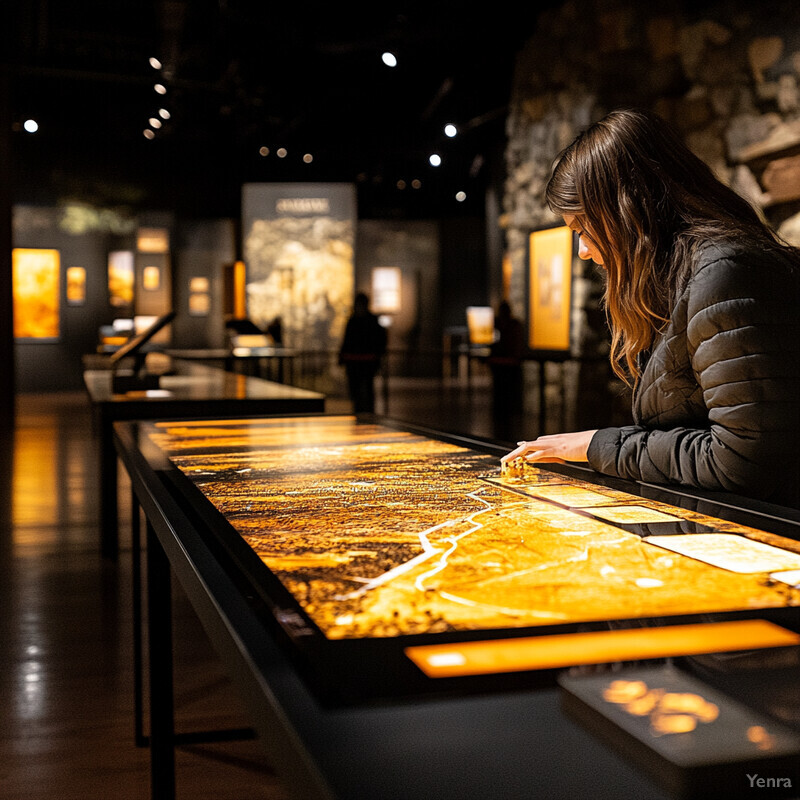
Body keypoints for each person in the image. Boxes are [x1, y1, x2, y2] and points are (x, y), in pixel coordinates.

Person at [501, 108, 800, 510]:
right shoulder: (682, 277)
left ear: (629, 210)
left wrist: (596, 446)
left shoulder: (723, 275)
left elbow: (743, 462)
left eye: (584, 229)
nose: (583, 250)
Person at [339, 291, 388, 413]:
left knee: (367, 389)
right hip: (358, 361)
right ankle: (360, 412)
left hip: (365, 362)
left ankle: (367, 412)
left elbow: (379, 341)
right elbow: (347, 340)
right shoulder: (356, 321)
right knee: (357, 390)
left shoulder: (362, 321)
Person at [487, 300, 526, 439]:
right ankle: (501, 421)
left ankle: (507, 421)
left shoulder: (513, 325)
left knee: (508, 395)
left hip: (509, 365)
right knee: (500, 395)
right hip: (502, 365)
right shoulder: (499, 324)